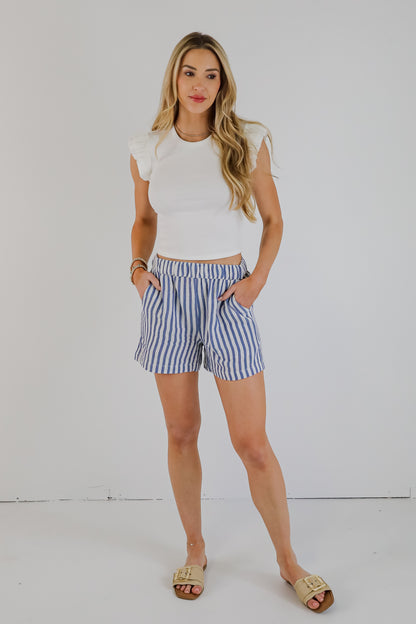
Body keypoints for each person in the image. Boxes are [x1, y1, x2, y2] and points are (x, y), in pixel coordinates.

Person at [128, 32, 334, 613]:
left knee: (253, 443)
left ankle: (288, 561)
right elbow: (144, 219)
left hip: (227, 294)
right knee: (181, 432)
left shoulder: (247, 140)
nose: (199, 85)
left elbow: (273, 220)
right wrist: (138, 269)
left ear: (223, 83)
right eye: (189, 72)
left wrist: (255, 282)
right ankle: (195, 547)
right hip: (168, 293)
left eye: (211, 75)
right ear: (174, 78)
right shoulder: (149, 147)